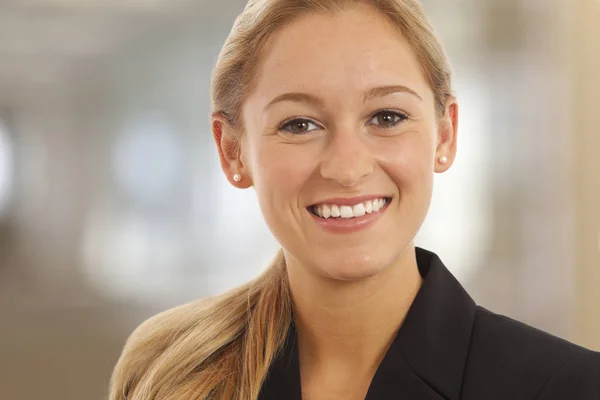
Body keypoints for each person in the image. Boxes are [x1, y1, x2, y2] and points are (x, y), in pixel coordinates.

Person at [108, 0, 600, 399]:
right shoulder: (169, 371)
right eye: (299, 124)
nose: (346, 168)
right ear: (232, 151)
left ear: (445, 135)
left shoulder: (569, 386)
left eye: (386, 117)